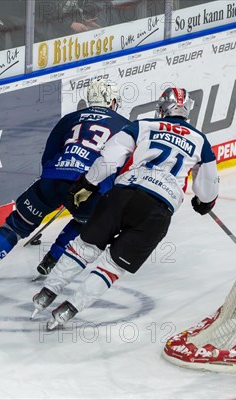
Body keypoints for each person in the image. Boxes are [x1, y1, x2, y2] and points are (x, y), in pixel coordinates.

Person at [30, 87, 220, 330]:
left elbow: (110, 158)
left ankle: (47, 293)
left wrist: (88, 183)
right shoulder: (200, 141)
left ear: (162, 108)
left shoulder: (144, 125)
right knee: (112, 266)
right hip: (158, 209)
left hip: (124, 194)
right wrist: (204, 203)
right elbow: (208, 187)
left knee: (84, 247)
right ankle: (68, 310)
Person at [0, 78, 130, 286]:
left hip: (53, 178)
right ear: (112, 101)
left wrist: (55, 178)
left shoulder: (71, 118)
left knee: (17, 223)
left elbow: (49, 153)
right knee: (84, 222)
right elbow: (122, 167)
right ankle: (51, 261)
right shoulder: (125, 125)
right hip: (89, 186)